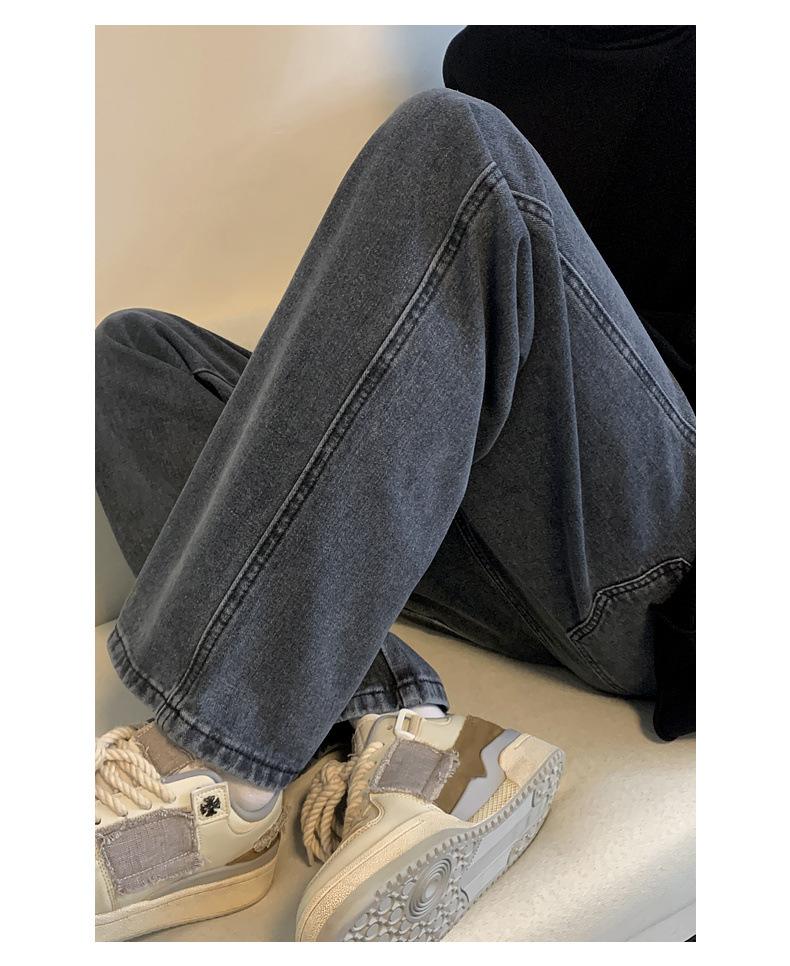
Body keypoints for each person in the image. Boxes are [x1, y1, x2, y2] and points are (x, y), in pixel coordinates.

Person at [95, 80, 695, 940]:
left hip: (671, 548)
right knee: (133, 359)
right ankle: (406, 727)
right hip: (513, 532)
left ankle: (213, 774)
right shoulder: (494, 52)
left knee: (457, 143)